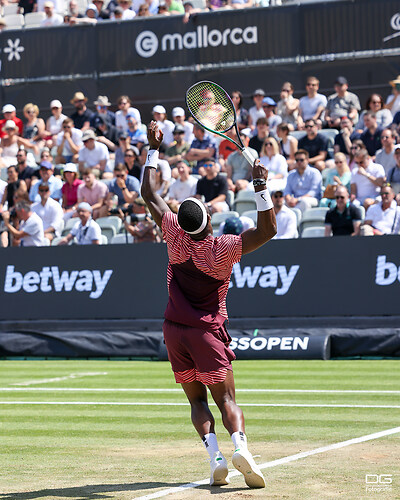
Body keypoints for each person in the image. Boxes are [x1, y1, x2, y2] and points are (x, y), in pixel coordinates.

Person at [140, 121, 276, 489]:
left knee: (196, 401)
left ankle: (215, 456)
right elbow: (267, 232)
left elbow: (149, 194)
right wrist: (261, 185)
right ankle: (241, 447)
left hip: (173, 332)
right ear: (210, 220)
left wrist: (154, 148)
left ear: (183, 224)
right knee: (226, 397)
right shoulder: (223, 248)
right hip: (206, 332)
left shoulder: (173, 235)